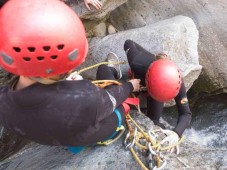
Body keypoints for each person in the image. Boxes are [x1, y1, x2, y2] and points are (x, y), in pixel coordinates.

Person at [0, 0, 140, 150]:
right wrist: (130, 85)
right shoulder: (84, 96)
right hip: (89, 132)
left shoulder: (3, 101)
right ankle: (125, 108)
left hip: (54, 134)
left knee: (104, 78)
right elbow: (111, 99)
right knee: (108, 79)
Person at [124, 40, 192, 154]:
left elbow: (186, 113)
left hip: (153, 89)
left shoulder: (176, 80)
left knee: (153, 121)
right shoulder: (137, 62)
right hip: (137, 80)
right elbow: (128, 42)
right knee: (121, 103)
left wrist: (176, 133)